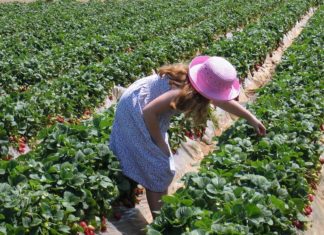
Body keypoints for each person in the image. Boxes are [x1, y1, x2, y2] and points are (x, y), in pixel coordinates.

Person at [109, 55, 266, 218]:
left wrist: (251, 118)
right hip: (136, 111)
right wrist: (160, 142)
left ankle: (161, 208)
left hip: (145, 107)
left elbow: (222, 102)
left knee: (161, 167)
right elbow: (149, 112)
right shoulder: (181, 92)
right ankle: (159, 222)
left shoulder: (194, 84)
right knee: (159, 168)